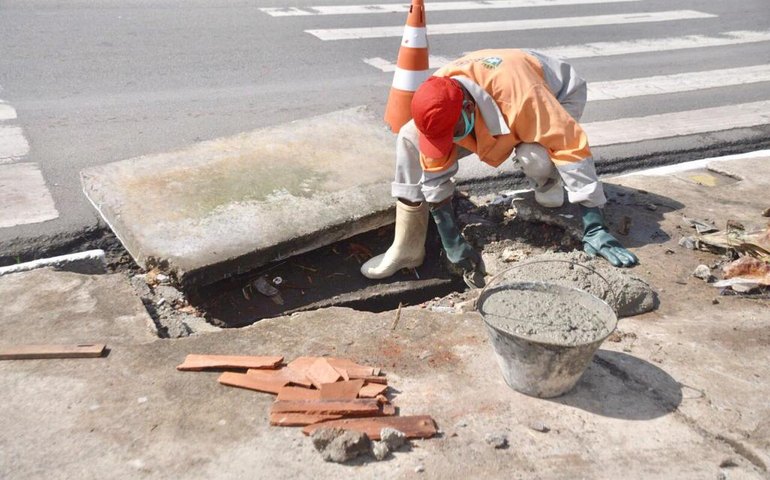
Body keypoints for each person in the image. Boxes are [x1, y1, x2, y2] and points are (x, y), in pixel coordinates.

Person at [361, 49, 638, 288]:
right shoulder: (438, 96)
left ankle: (549, 183)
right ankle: (408, 246)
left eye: (453, 131)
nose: (450, 142)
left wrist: (593, 224)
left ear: (468, 107)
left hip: (554, 92)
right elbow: (434, 170)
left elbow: (570, 148)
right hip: (488, 100)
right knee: (409, 136)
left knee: (534, 156)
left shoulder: (525, 99)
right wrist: (449, 236)